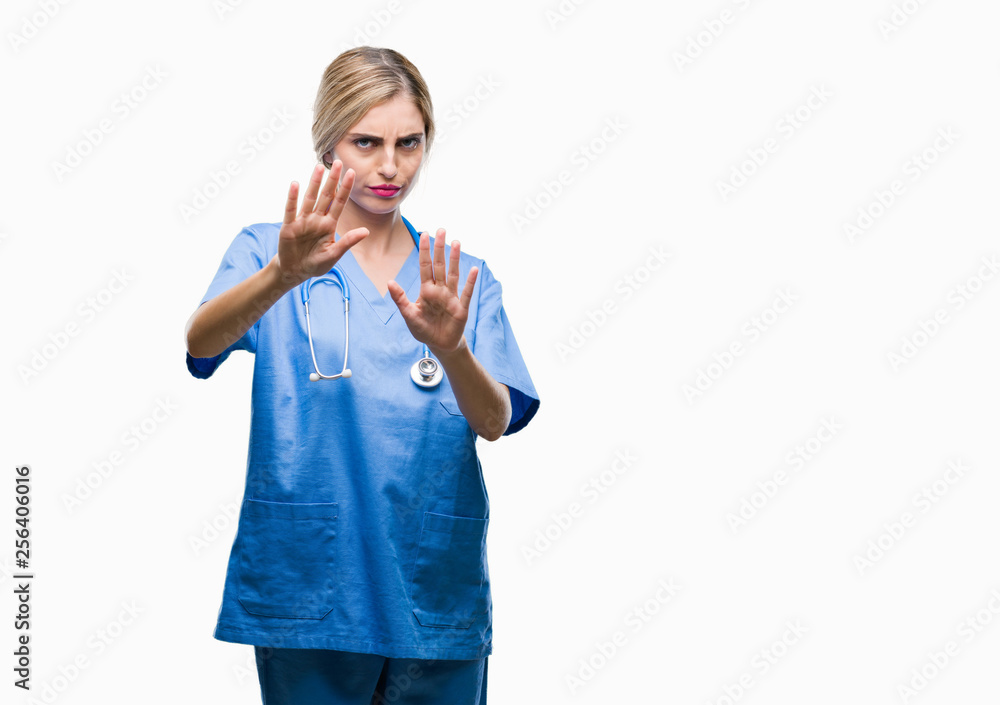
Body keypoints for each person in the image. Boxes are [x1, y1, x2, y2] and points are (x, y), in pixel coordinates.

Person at [183, 46, 539, 704]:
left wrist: (452, 348)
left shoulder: (459, 279)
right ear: (328, 145)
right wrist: (282, 276)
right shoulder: (268, 249)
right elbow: (201, 342)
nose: (390, 166)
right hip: (311, 579)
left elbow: (494, 421)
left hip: (431, 584)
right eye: (366, 142)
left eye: (409, 143)